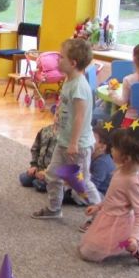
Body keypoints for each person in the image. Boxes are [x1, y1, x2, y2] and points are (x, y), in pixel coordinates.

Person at [32, 38, 102, 219]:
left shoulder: (79, 86)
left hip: (77, 146)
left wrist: (73, 143)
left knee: (81, 183)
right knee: (52, 175)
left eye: (61, 57)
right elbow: (66, 108)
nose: (58, 59)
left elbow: (80, 117)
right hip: (64, 142)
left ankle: (99, 216)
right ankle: (54, 209)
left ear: (73, 63)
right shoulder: (69, 80)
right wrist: (58, 120)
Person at [78, 125, 139, 264]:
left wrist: (135, 237)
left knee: (91, 253)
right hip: (107, 216)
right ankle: (124, 244)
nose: (111, 149)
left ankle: (132, 246)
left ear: (127, 158)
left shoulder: (133, 181)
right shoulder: (120, 170)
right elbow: (113, 196)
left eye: (115, 148)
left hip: (119, 222)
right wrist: (99, 206)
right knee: (87, 249)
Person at [69, 122, 115, 210]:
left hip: (102, 195)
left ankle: (70, 195)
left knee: (76, 192)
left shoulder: (102, 162)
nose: (88, 142)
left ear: (102, 147)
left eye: (92, 139)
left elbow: (93, 185)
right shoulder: (92, 157)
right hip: (93, 189)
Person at [19, 107, 58, 193]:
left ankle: (47, 182)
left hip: (52, 173)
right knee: (23, 179)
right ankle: (39, 177)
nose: (59, 119)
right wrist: (34, 165)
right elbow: (35, 149)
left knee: (38, 184)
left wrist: (47, 173)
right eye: (57, 115)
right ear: (54, 115)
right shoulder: (44, 131)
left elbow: (62, 162)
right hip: (39, 168)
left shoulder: (65, 138)